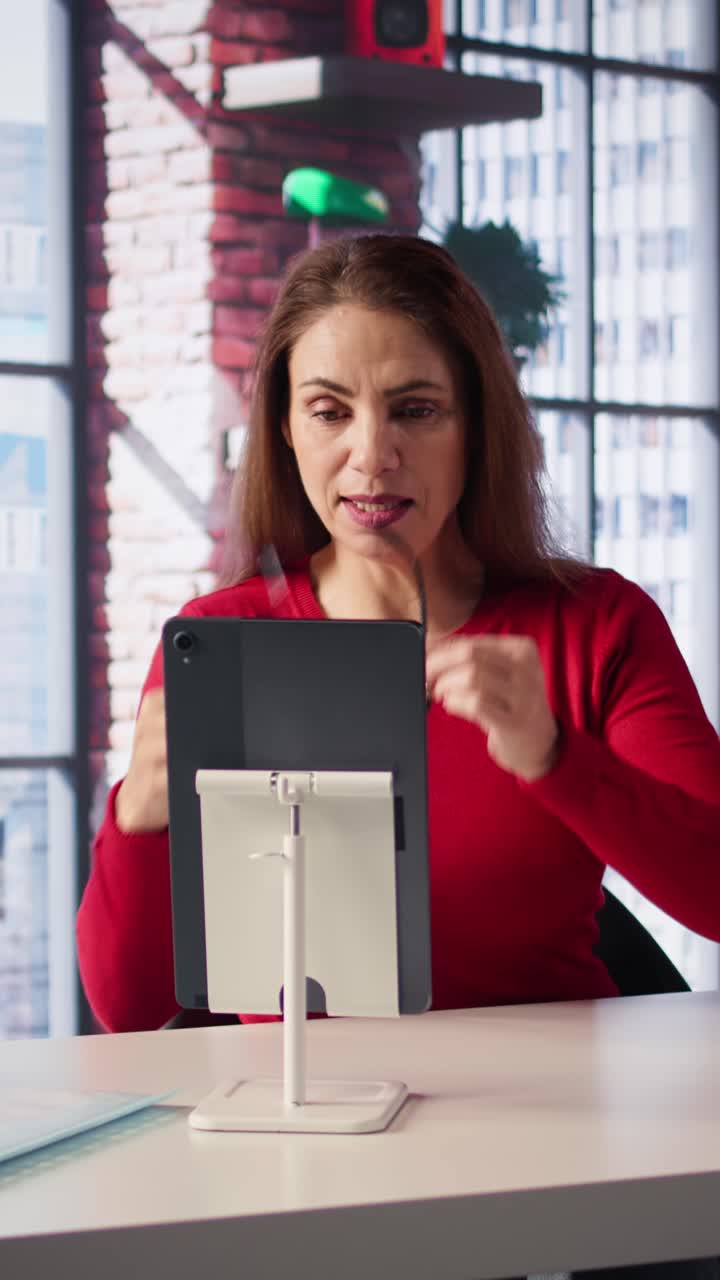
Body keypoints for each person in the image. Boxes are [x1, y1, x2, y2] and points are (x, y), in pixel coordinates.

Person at [77, 233, 720, 1036]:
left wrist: (555, 757)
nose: (373, 455)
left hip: (549, 1123)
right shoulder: (221, 641)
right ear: (284, 428)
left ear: (475, 425)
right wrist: (140, 812)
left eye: (416, 410)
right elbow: (129, 1015)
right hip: (303, 1130)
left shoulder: (598, 625)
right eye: (329, 411)